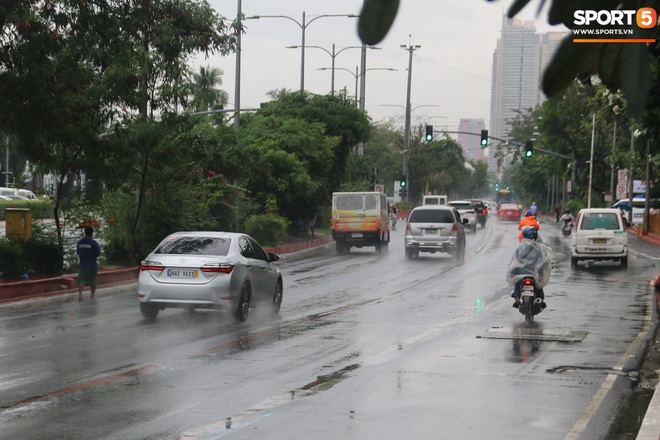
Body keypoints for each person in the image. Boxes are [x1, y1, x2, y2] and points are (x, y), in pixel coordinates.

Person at [507, 227, 551, 308]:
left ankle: (516, 299)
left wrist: (512, 269)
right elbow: (543, 261)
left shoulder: (520, 248)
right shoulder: (539, 248)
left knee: (517, 284)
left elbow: (515, 261)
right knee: (539, 286)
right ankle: (541, 299)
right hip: (535, 274)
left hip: (522, 274)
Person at [76, 226, 101, 301]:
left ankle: (80, 295)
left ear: (85, 233)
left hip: (83, 265)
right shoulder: (93, 243)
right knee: (93, 280)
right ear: (92, 234)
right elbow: (97, 253)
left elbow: (77, 252)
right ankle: (92, 295)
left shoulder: (80, 242)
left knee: (81, 280)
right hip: (92, 265)